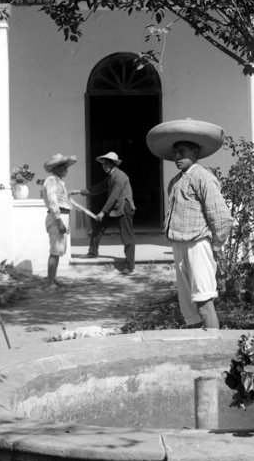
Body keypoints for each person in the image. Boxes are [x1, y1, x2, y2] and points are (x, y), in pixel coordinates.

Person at [146, 119, 232, 329]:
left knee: (203, 299)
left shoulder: (204, 178)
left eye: (182, 151)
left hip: (198, 245)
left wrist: (217, 245)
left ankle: (214, 347)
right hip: (179, 246)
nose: (177, 157)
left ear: (195, 152)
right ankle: (196, 350)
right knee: (188, 308)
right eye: (175, 152)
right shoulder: (175, 181)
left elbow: (221, 216)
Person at [80, 151, 136, 273]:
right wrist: (80, 192)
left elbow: (114, 196)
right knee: (98, 225)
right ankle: (93, 252)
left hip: (124, 208)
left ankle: (129, 265)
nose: (103, 166)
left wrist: (103, 212)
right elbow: (99, 188)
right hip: (114, 207)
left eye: (106, 164)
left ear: (113, 164)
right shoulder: (110, 177)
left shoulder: (120, 176)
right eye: (103, 164)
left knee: (127, 237)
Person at [42, 153, 79, 289]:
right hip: (56, 217)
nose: (66, 169)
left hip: (63, 216)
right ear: (56, 168)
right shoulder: (51, 180)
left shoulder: (59, 181)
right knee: (55, 250)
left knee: (58, 251)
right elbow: (53, 202)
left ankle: (53, 279)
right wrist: (59, 221)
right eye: (63, 167)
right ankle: (50, 282)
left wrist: (66, 222)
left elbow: (64, 202)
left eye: (66, 167)